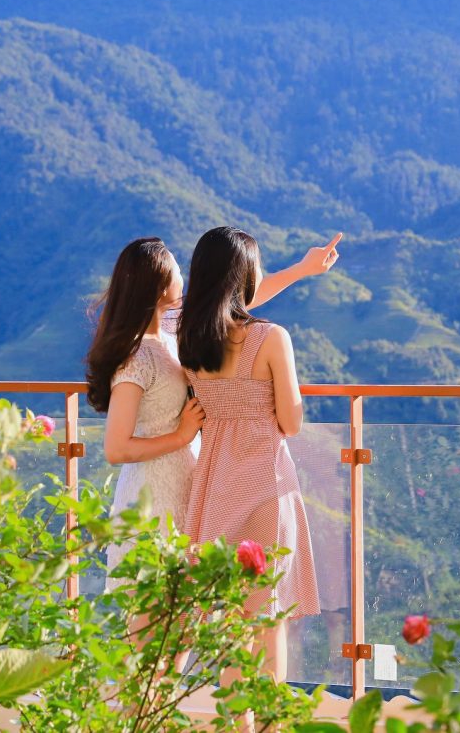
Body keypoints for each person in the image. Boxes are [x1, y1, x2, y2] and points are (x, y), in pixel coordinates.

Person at [85, 233, 341, 591]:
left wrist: (302, 269)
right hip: (168, 487)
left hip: (200, 482)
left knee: (196, 602)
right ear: (160, 286)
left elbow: (232, 301)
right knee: (171, 603)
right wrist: (181, 436)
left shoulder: (179, 333)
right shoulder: (144, 353)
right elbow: (116, 449)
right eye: (177, 270)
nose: (184, 277)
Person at [177, 226, 329, 682]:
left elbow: (221, 305)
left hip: (214, 487)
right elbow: (291, 421)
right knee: (268, 616)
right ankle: (265, 716)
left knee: (229, 619)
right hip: (265, 485)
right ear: (244, 276)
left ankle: (235, 716)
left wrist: (302, 269)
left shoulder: (187, 339)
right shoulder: (271, 337)